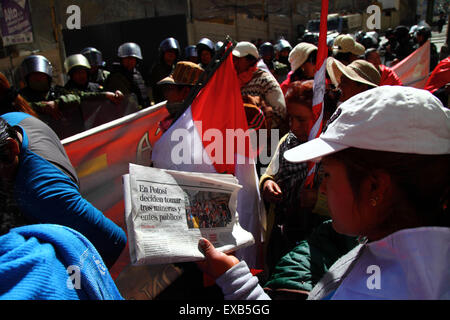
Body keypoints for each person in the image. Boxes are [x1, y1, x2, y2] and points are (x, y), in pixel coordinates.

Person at [197, 85, 450, 300]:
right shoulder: (399, 257)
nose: (324, 188)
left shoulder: (375, 292)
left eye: (327, 174)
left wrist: (237, 284)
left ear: (375, 187)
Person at [0, 113, 127, 269]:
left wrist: (76, 283)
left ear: (11, 148)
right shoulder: (13, 119)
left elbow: (113, 240)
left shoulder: (41, 195)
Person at [259, 80, 329, 275]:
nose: (293, 125)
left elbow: (353, 206)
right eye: (291, 118)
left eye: (301, 119)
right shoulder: (288, 141)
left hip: (319, 247)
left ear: (320, 117)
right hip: (282, 236)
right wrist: (267, 183)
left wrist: (318, 201)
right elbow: (269, 172)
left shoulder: (335, 152)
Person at [232, 41, 288, 136]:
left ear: (251, 60)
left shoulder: (265, 81)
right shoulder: (234, 81)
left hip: (264, 142)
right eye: (234, 59)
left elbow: (280, 110)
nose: (235, 62)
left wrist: (260, 132)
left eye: (238, 59)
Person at [156, 61, 204, 131]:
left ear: (185, 91)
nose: (165, 94)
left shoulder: (192, 123)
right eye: (165, 89)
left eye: (169, 89)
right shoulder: (172, 121)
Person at [105, 42, 149, 108]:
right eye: (127, 59)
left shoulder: (137, 73)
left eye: (132, 59)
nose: (130, 62)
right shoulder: (116, 76)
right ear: (121, 60)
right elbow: (126, 100)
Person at [148, 38, 181, 104]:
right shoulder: (157, 69)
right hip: (162, 105)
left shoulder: (176, 68)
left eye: (173, 52)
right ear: (163, 53)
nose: (171, 54)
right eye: (169, 52)